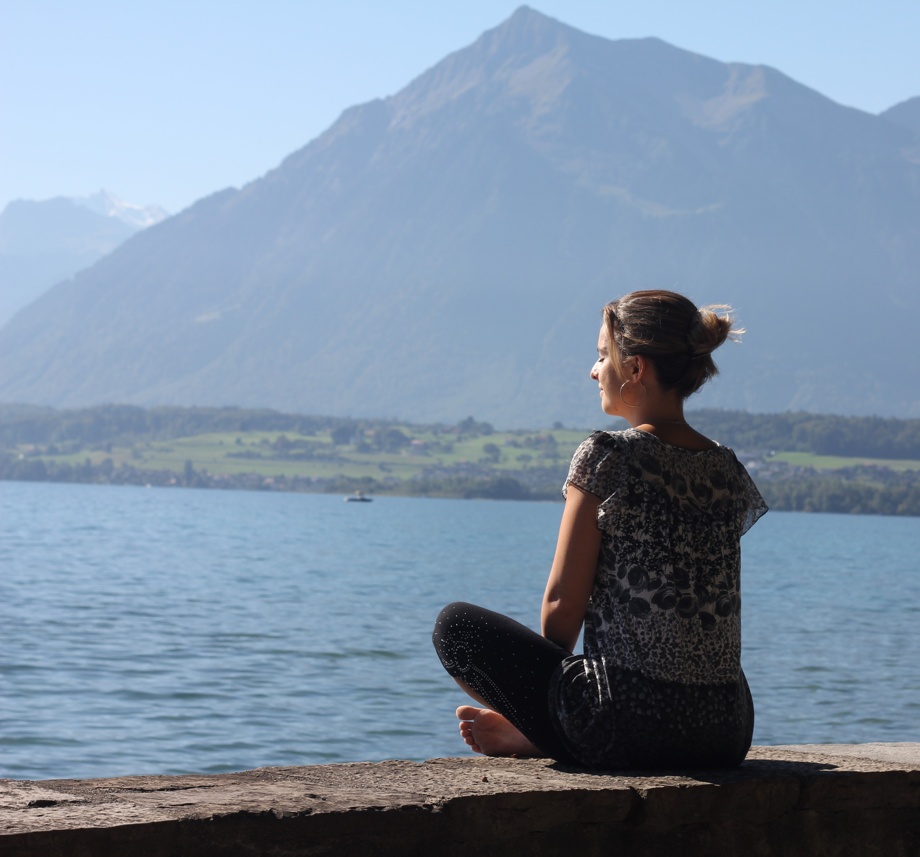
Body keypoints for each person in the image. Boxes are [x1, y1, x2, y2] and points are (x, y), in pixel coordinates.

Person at [432, 289, 767, 769]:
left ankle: (546, 735)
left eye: (601, 356)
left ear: (635, 368)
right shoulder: (727, 468)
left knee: (455, 627)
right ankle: (553, 731)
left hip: (628, 726)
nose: (593, 371)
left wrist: (544, 704)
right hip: (727, 731)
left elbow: (562, 608)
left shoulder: (608, 455)